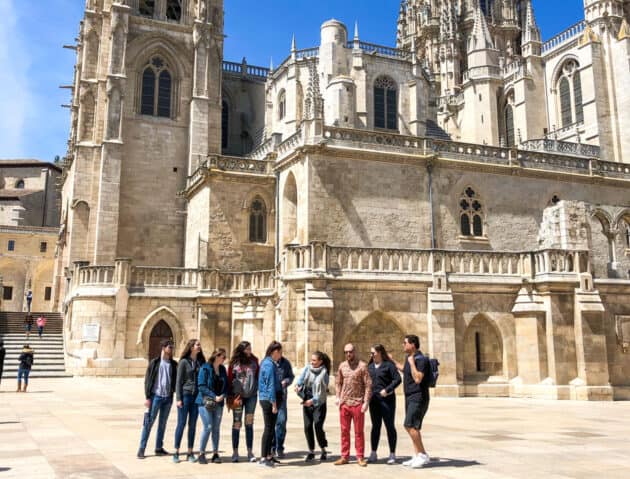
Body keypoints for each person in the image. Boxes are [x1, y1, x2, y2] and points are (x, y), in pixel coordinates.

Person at [137, 339, 177, 459]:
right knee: (148, 422)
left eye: (172, 347)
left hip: (167, 398)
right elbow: (148, 381)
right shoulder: (154, 363)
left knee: (162, 424)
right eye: (169, 347)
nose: (171, 349)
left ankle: (158, 448)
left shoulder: (174, 364)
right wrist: (147, 397)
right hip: (155, 397)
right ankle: (141, 448)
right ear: (163, 347)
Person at [395, 335, 431, 469]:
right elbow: (406, 371)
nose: (403, 345)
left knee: (408, 425)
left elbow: (418, 379)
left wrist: (411, 363)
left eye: (405, 343)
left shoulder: (420, 359)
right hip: (410, 396)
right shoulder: (410, 358)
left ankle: (423, 454)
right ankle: (417, 455)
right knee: (414, 427)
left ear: (413, 345)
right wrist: (392, 361)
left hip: (418, 397)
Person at [334, 343, 372, 467]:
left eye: (350, 352)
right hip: (345, 403)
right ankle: (344, 456)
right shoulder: (342, 366)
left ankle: (360, 457)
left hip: (358, 403)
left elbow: (368, 385)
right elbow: (338, 382)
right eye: (346, 352)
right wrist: (338, 397)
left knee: (358, 432)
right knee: (344, 431)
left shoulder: (362, 366)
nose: (348, 354)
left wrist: (366, 401)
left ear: (354, 352)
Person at [367, 344, 401, 465]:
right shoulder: (370, 367)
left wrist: (387, 390)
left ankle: (392, 454)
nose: (371, 355)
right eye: (371, 353)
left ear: (380, 353)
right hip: (374, 401)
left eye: (373, 353)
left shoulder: (389, 366)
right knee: (375, 426)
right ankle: (373, 452)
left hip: (387, 401)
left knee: (389, 426)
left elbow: (397, 379)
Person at [295, 351, 331, 462]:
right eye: (311, 360)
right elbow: (300, 380)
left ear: (320, 361)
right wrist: (298, 386)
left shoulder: (324, 373)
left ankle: (323, 449)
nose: (312, 362)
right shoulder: (307, 368)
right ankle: (311, 451)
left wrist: (313, 401)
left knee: (318, 425)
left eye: (314, 360)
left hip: (319, 402)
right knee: (307, 426)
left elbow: (321, 394)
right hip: (307, 399)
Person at [173, 339, 205, 464]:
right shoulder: (183, 362)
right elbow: (178, 382)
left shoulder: (200, 362)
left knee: (192, 425)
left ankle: (190, 452)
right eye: (197, 345)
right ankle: (176, 451)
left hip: (196, 397)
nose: (199, 347)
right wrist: (178, 399)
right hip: (185, 396)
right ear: (191, 347)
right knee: (181, 424)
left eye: (199, 345)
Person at [227, 340, 259, 463]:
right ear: (241, 350)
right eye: (247, 349)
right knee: (237, 424)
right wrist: (231, 397)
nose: (249, 351)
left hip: (251, 397)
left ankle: (250, 452)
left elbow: (257, 376)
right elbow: (230, 380)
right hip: (238, 398)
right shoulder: (234, 363)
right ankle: (235, 452)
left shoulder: (254, 362)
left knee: (249, 424)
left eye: (250, 349)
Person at [197, 348, 228, 464]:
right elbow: (201, 386)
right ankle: (201, 453)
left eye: (225, 357)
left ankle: (215, 453)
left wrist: (223, 395)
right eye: (223, 357)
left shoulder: (222, 369)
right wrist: (214, 396)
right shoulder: (205, 368)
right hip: (205, 402)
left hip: (219, 402)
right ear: (216, 356)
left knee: (216, 428)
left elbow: (226, 385)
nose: (224, 359)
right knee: (208, 426)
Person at [257, 341, 283, 468]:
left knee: (271, 428)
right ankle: (263, 457)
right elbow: (270, 384)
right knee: (268, 428)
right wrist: (273, 403)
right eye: (280, 352)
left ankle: (268, 455)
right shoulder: (269, 364)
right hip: (268, 399)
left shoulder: (269, 363)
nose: (281, 355)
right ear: (275, 352)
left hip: (269, 398)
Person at [271, 349, 294, 458]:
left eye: (280, 352)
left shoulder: (285, 363)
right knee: (271, 423)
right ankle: (272, 447)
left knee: (282, 421)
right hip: (270, 397)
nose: (279, 355)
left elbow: (291, 376)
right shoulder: (268, 363)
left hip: (282, 397)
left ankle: (279, 447)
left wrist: (286, 381)